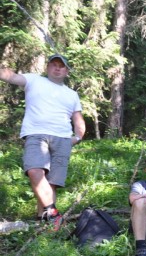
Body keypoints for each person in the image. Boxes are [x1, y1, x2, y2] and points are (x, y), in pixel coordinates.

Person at [0, 54, 85, 230]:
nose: (57, 68)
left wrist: (77, 137)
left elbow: (77, 118)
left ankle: (42, 222)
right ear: (47, 67)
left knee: (52, 182)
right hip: (36, 134)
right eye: (54, 64)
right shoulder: (34, 80)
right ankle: (53, 213)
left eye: (61, 66)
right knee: (34, 170)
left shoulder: (72, 94)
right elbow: (11, 76)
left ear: (67, 71)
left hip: (63, 138)